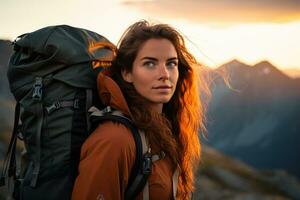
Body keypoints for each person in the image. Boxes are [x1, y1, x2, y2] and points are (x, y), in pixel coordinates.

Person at [72, 20, 210, 200]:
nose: (165, 74)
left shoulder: (164, 132)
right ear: (127, 73)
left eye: (171, 63)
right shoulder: (114, 140)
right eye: (150, 64)